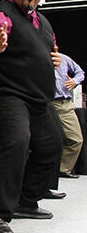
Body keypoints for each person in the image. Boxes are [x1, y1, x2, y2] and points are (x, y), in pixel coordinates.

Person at [0, 0, 64, 233]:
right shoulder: (0, 14)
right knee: (16, 141)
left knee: (53, 144)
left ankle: (25, 201)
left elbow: (47, 50)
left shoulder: (43, 21)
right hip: (6, 94)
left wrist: (55, 60)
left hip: (38, 98)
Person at [53, 51, 84, 179]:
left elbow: (80, 72)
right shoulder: (37, 58)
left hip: (65, 103)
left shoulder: (64, 58)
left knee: (76, 139)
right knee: (43, 140)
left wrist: (75, 81)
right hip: (48, 102)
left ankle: (62, 168)